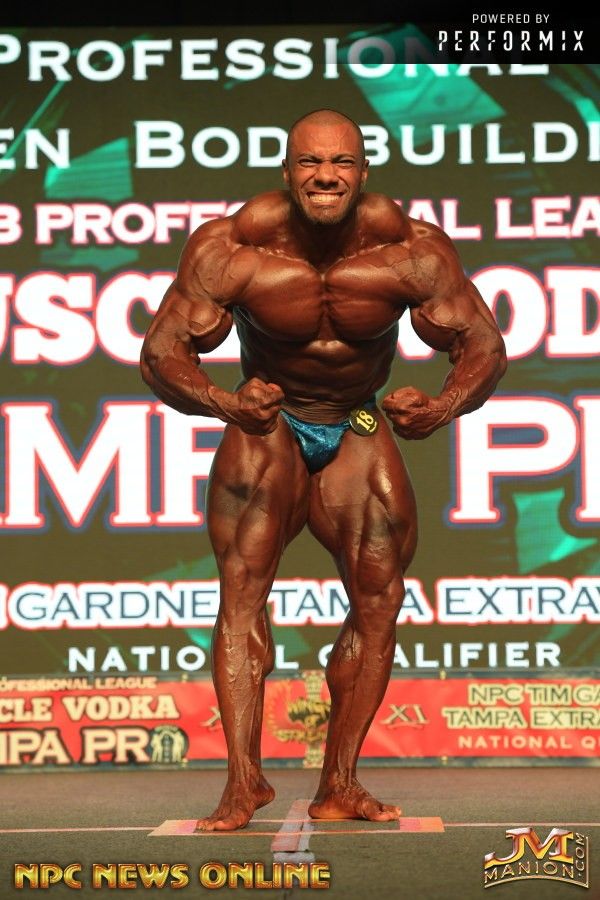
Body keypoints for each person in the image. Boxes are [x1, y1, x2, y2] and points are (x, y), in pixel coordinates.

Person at [140, 108, 507, 831]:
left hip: (356, 419)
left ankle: (339, 783)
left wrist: (443, 407)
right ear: (288, 171)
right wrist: (223, 402)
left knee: (379, 598)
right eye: (310, 162)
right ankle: (242, 784)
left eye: (340, 162)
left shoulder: (410, 249)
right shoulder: (231, 246)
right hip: (269, 421)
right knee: (241, 594)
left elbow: (484, 346)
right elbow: (161, 353)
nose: (326, 175)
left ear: (363, 172)